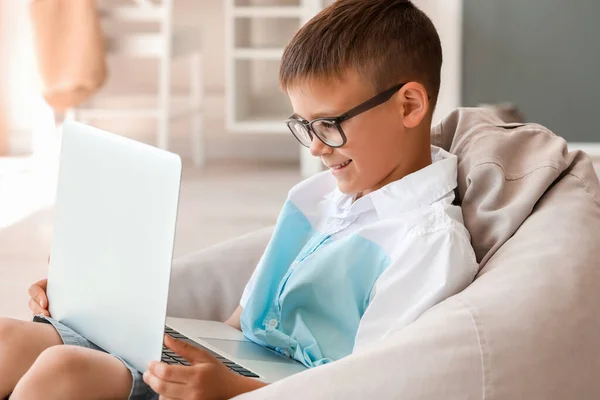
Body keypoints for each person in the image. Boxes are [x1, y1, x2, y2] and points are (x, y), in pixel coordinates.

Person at [0, 1, 478, 399]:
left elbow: (367, 384)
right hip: (221, 363)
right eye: (303, 125)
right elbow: (241, 324)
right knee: (9, 338)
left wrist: (230, 388)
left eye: (328, 124)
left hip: (260, 390)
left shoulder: (427, 241)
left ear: (410, 106)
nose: (314, 146)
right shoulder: (318, 195)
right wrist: (98, 303)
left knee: (62, 373)